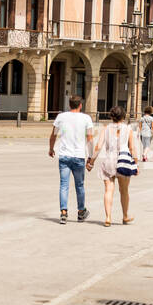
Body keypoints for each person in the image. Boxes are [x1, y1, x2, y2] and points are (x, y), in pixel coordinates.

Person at [88, 106, 140, 225]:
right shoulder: (128, 129)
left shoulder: (105, 129)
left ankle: (108, 218)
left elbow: (98, 146)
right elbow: (132, 148)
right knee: (124, 191)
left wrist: (91, 162)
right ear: (123, 116)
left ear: (111, 116)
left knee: (108, 190)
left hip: (109, 161)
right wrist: (136, 164)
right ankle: (125, 216)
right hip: (124, 161)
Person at [48, 95, 94, 224]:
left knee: (64, 184)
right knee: (79, 185)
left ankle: (63, 212)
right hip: (79, 156)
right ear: (80, 105)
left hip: (64, 156)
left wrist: (51, 149)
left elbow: (53, 135)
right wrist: (90, 156)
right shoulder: (86, 118)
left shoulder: (61, 117)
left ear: (69, 105)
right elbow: (90, 138)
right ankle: (81, 212)